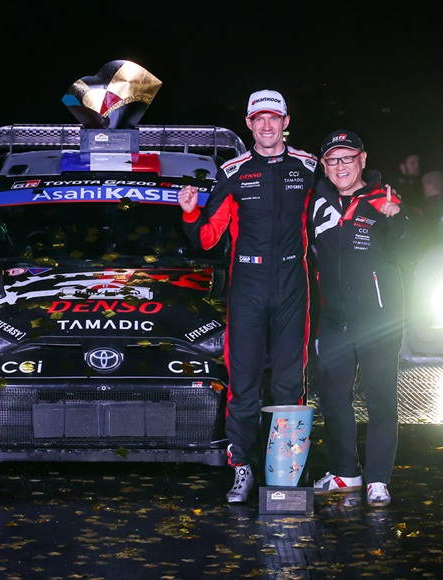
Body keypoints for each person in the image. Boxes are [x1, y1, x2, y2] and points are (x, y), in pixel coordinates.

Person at [178, 89, 316, 503]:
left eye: (274, 118)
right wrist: (189, 212)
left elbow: (336, 210)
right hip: (248, 286)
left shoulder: (308, 166)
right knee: (244, 383)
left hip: (292, 282)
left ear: (286, 122)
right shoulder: (234, 171)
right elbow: (207, 237)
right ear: (249, 124)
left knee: (289, 383)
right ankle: (242, 467)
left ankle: (287, 474)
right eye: (259, 119)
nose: (267, 125)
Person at [307, 130, 421, 507]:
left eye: (347, 158)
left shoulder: (383, 199)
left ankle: (377, 479)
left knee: (380, 398)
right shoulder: (316, 201)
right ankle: (346, 472)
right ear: (324, 165)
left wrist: (397, 218)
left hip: (379, 318)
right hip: (334, 318)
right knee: (333, 398)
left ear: (362, 159)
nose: (340, 166)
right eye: (332, 160)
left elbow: (411, 253)